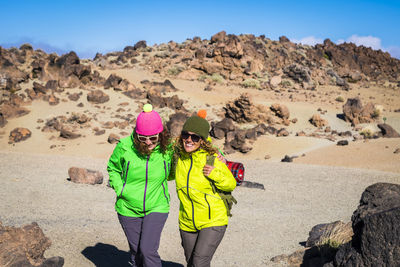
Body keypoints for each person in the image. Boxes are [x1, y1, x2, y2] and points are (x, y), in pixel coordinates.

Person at [107, 104, 173, 267]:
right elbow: (113, 168)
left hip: (157, 205)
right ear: (137, 135)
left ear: (161, 134)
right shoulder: (124, 146)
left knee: (148, 250)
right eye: (143, 138)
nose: (148, 142)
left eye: (153, 138)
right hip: (128, 207)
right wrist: (121, 189)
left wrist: (219, 157)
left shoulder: (169, 148)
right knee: (137, 253)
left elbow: (198, 148)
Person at [171, 110, 237, 267]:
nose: (189, 140)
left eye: (195, 137)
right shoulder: (178, 156)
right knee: (191, 262)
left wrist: (215, 174)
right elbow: (164, 171)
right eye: (186, 135)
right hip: (187, 222)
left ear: (202, 139)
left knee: (200, 262)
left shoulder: (211, 157)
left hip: (213, 220)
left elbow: (230, 183)